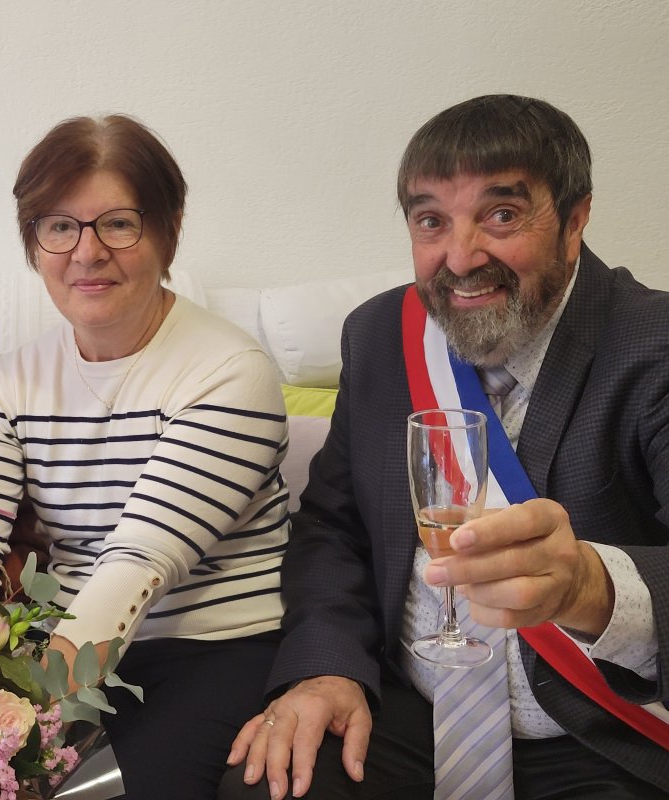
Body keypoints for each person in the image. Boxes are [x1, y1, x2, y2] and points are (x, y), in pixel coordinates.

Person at [221, 95, 669, 800]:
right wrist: (326, 668)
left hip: (600, 731)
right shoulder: (377, 337)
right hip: (408, 714)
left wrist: (592, 586)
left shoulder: (654, 346)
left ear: (575, 220)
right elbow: (332, 528)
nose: (461, 257)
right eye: (432, 220)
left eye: (501, 215)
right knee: (268, 786)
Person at [0, 114, 291, 799]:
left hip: (217, 645)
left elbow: (138, 564)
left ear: (169, 231)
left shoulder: (230, 369)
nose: (86, 253)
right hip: (75, 648)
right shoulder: (11, 382)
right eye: (59, 227)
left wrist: (29, 719)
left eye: (119, 223)